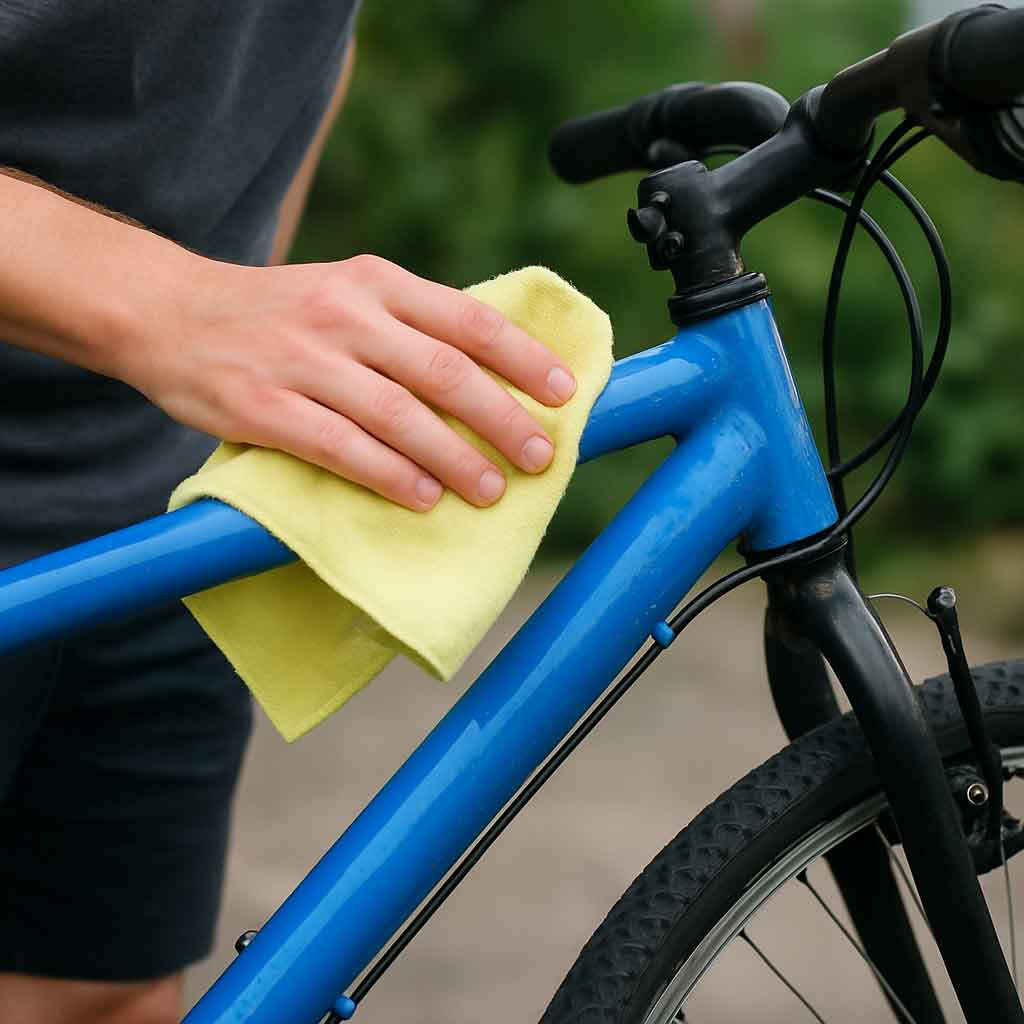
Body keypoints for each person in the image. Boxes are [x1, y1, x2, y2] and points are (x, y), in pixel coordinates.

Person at [0, 4, 576, 1022]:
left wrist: (238, 327)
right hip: (145, 423)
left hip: (162, 513)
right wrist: (183, 309)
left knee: (100, 989)